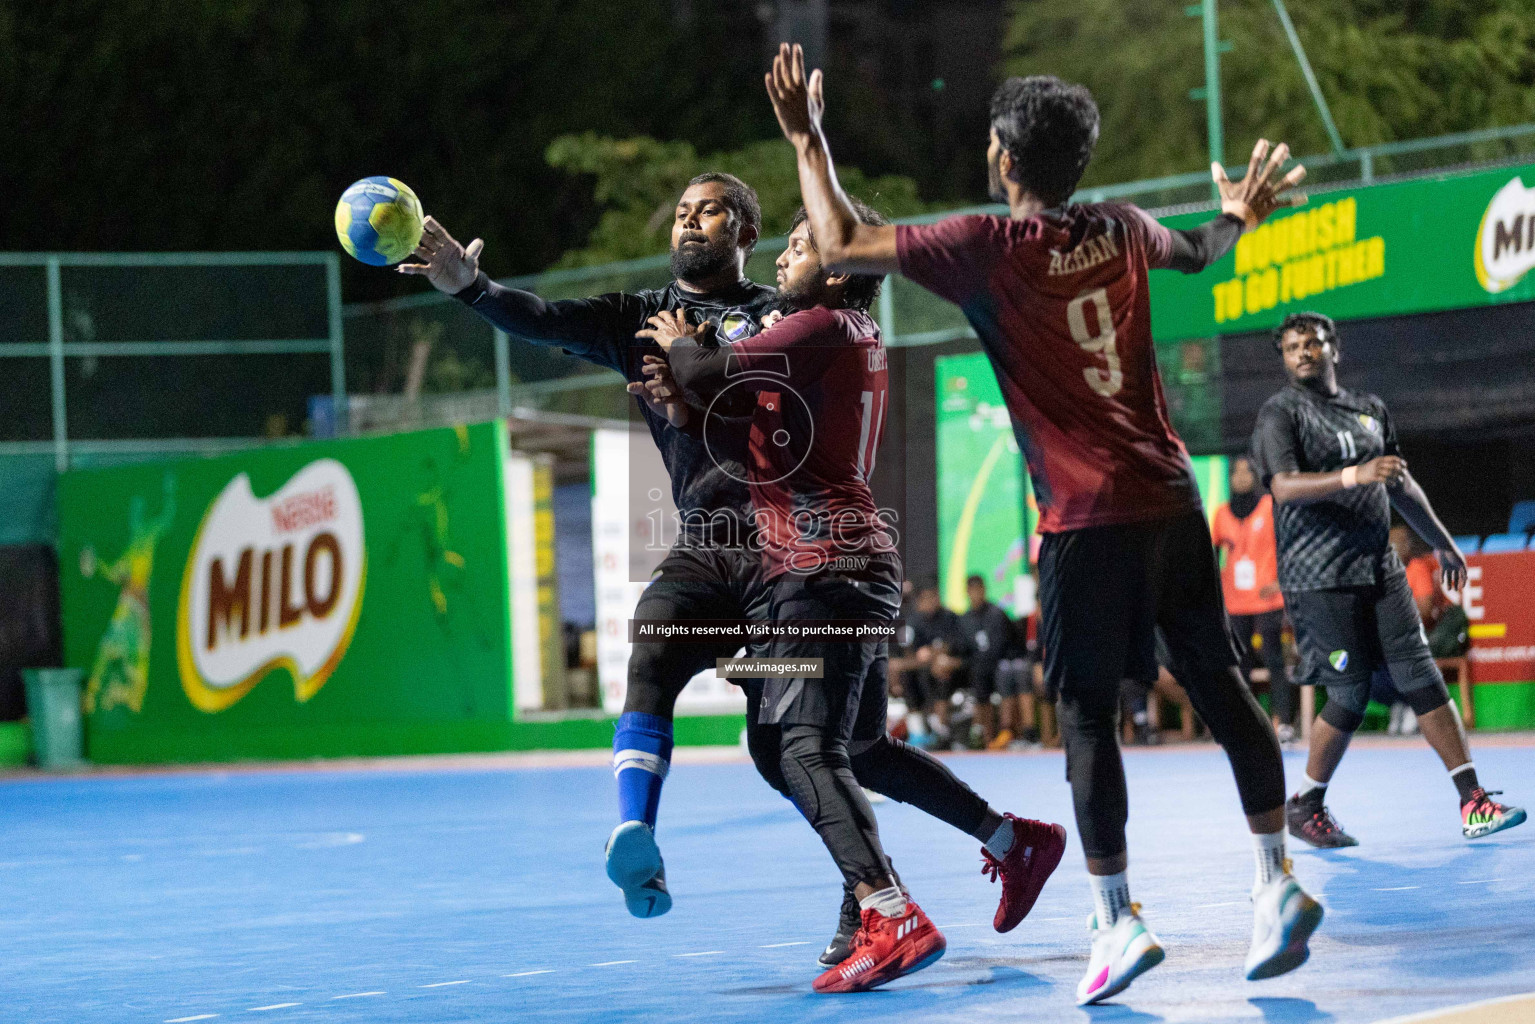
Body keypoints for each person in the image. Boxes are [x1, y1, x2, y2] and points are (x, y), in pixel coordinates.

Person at [766, 43, 1321, 1004]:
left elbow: (844, 245)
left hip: (1082, 519)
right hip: (1171, 499)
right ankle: (1275, 881)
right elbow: (1197, 250)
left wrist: (808, 141)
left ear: (1002, 159)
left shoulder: (987, 246)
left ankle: (1115, 922)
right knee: (1222, 688)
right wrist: (1237, 213)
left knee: (1085, 719)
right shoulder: (1123, 225)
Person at [403, 179, 1063, 942]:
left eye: (707, 208)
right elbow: (544, 319)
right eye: (680, 209)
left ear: (743, 228)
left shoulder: (796, 312)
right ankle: (639, 838)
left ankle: (896, 894)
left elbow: (723, 380)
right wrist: (472, 288)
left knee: (822, 745)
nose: (689, 218)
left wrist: (686, 370)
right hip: (718, 555)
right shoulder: (637, 317)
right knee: (663, 649)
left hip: (797, 565)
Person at [653, 203, 1066, 991]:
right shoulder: (835, 337)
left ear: (839, 267)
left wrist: (679, 338)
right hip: (843, 569)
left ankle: (884, 907)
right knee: (857, 748)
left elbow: (706, 372)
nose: (779, 258)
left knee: (796, 746)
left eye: (799, 246)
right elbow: (729, 409)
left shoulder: (819, 325)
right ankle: (1012, 843)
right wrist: (690, 389)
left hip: (818, 574)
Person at [1250, 311, 1525, 847]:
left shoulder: (1369, 411)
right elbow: (1283, 486)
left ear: (1335, 349)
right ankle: (1307, 805)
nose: (1304, 351)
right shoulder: (1280, 414)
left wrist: (1442, 540)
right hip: (1318, 577)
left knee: (1423, 676)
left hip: (1380, 567)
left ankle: (1473, 801)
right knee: (1349, 694)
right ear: (1284, 359)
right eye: (1292, 347)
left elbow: (1400, 485)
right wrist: (1356, 474)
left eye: (1313, 342)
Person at [1213, 456, 1295, 740]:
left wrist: (1280, 580)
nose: (1241, 476)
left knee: (1273, 659)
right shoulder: (1222, 513)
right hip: (1236, 601)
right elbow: (1212, 556)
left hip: (1267, 598)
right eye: (1235, 472)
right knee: (1240, 663)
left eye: (1247, 471)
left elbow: (1288, 546)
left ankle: (1283, 723)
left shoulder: (1269, 507)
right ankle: (1244, 726)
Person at [957, 574, 1021, 748]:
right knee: (978, 679)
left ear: (984, 590)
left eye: (980, 590)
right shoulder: (964, 619)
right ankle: (986, 737)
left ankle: (1007, 732)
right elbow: (963, 649)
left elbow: (1005, 644)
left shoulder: (996, 614)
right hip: (978, 666)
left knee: (1005, 675)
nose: (977, 594)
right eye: (973, 590)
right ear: (967, 592)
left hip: (1000, 663)